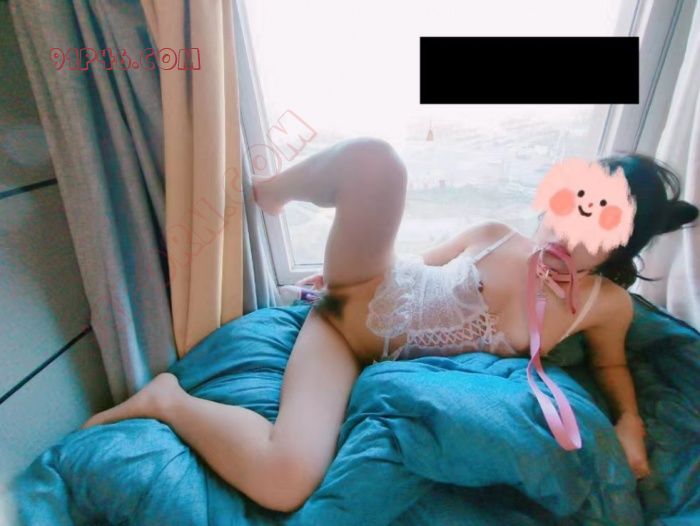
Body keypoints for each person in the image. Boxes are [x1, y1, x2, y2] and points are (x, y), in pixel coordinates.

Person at [83, 137, 698, 513]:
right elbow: (417, 266)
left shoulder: (602, 307)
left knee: (285, 483)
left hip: (357, 359)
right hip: (355, 301)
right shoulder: (496, 235)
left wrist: (630, 421)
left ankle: (167, 400)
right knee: (378, 162)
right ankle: (275, 192)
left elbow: (612, 363)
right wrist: (334, 273)